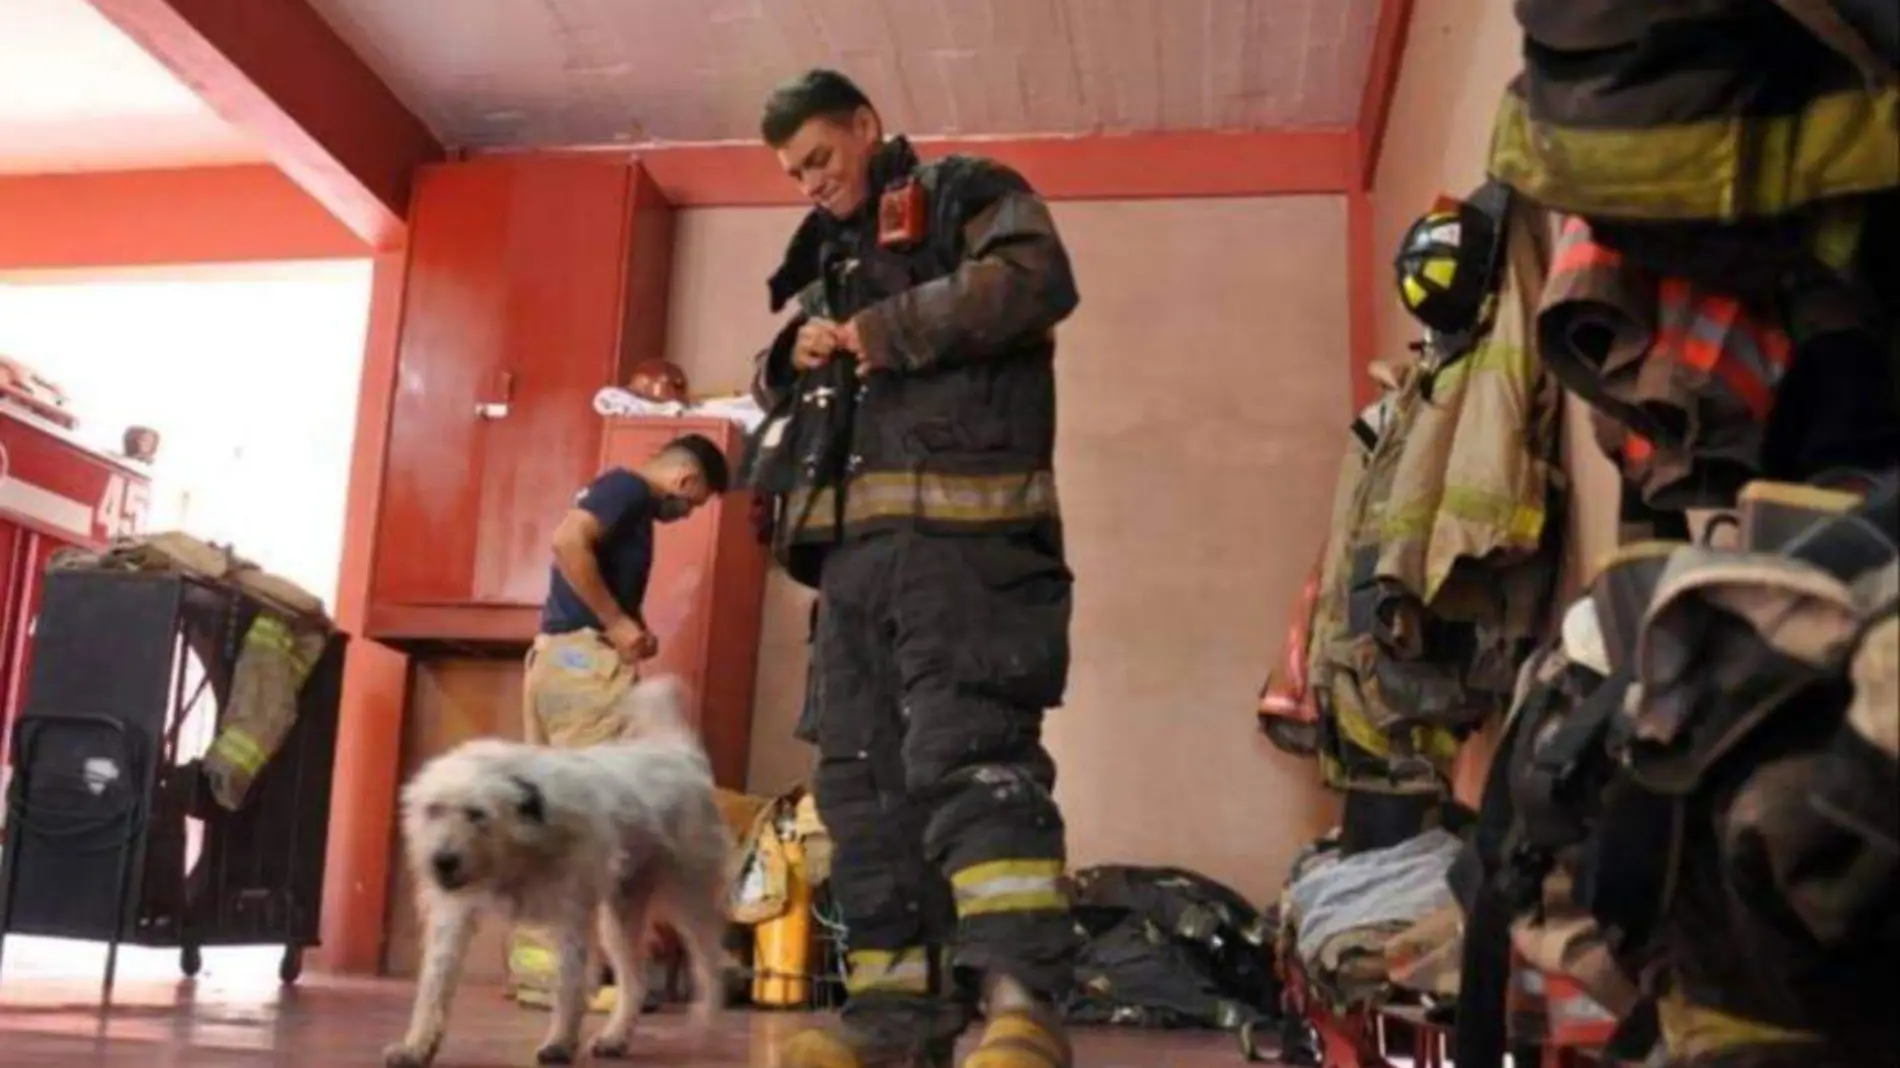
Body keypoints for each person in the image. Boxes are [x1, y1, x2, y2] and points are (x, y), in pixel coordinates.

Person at [747, 69, 1082, 1068]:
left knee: (971, 763)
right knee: (859, 792)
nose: (808, 182)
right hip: (853, 571)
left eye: (820, 156)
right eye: (791, 171)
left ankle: (1021, 1013)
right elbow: (784, 396)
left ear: (866, 126)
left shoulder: (964, 193)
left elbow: (1034, 278)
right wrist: (787, 358)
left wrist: (884, 333)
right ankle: (893, 1023)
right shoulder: (823, 261)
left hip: (969, 557)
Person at [508, 431, 730, 1006]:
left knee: (549, 816)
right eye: (693, 504)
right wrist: (618, 623)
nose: (684, 514)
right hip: (584, 665)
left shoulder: (614, 492)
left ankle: (547, 972)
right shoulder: (628, 489)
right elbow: (567, 542)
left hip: (557, 660)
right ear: (686, 481)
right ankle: (580, 979)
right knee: (594, 815)